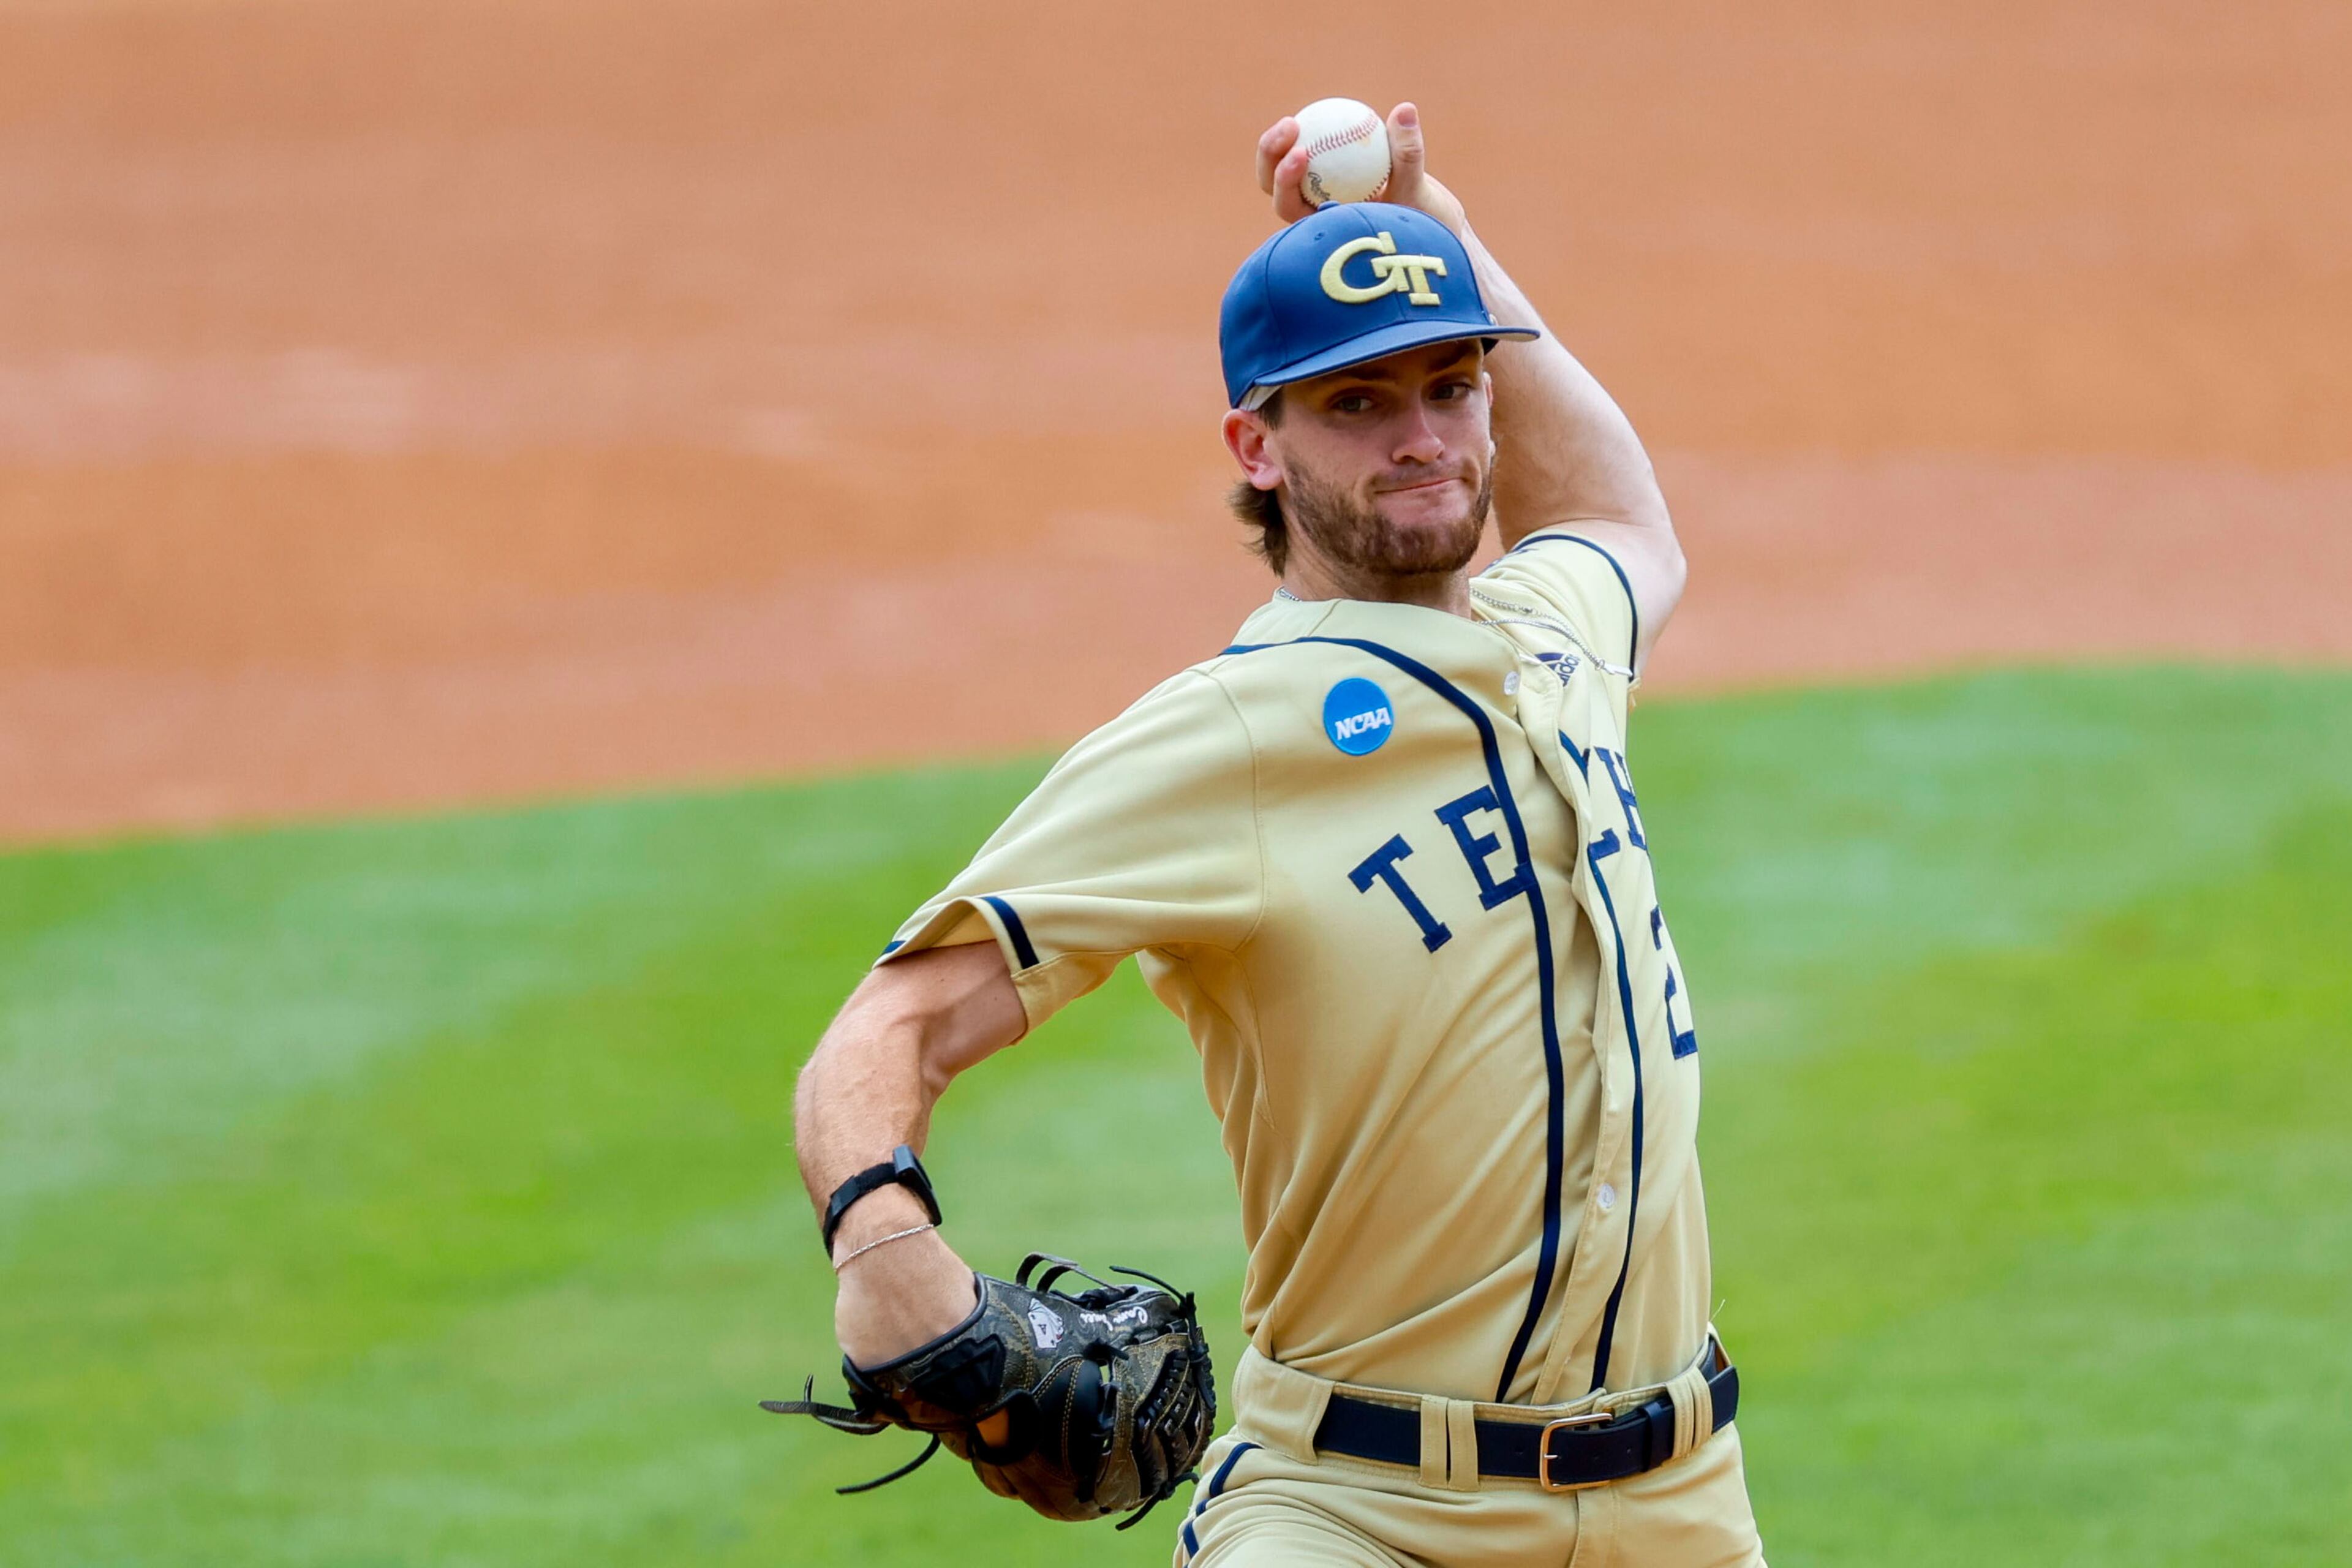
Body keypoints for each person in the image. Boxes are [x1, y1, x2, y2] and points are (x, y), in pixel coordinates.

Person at [792, 101, 1766, 1567]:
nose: (1425, 438)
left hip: (1679, 1502)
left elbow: (1624, 515)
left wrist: (1438, 223)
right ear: (1257, 443)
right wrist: (884, 1242)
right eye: (1359, 404)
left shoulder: (1555, 631)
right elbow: (894, 1024)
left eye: (1453, 387)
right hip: (1359, 1509)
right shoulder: (1231, 732)